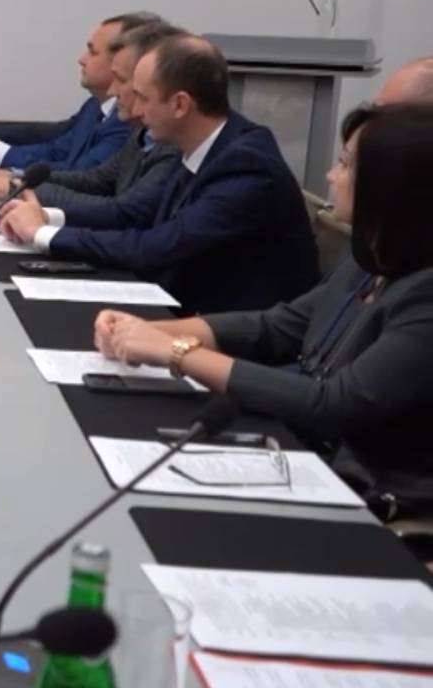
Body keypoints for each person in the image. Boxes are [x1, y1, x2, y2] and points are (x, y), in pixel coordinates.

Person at [95, 103, 433, 520]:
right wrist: (152, 330)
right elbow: (279, 326)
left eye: (345, 164)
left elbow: (334, 405)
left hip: (367, 495)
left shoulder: (425, 295)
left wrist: (177, 352)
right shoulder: (371, 260)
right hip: (299, 450)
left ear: (391, 186)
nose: (330, 176)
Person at [0, 34, 318, 313]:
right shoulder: (198, 144)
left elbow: (158, 245)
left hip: (224, 333)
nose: (135, 111)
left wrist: (42, 234)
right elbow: (135, 217)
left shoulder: (246, 164)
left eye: (143, 98)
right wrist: (47, 218)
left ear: (180, 105)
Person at [0, 21, 185, 207]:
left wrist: (16, 188)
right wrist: (17, 180)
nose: (113, 91)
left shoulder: (159, 141)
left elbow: (122, 212)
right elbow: (92, 177)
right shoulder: (130, 129)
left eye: (121, 78)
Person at [0, 12, 157, 170]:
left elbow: (81, 174)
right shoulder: (95, 106)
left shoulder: (128, 121)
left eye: (93, 52)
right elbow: (54, 148)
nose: (81, 59)